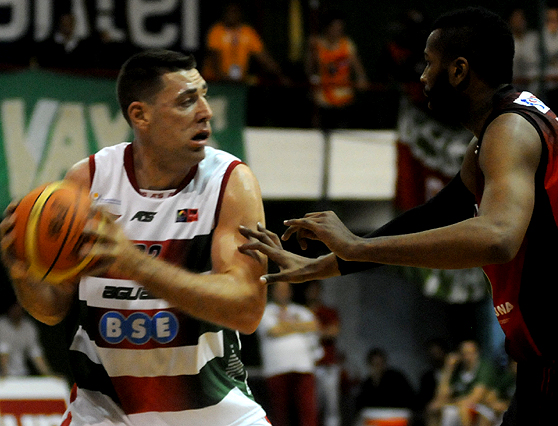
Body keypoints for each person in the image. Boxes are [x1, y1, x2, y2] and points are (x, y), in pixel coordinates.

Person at [239, 7, 558, 426]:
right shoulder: (492, 135)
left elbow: (498, 237)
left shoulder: (511, 131)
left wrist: (356, 246)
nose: (423, 76)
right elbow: (435, 214)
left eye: (430, 63)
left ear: (459, 70)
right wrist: (329, 264)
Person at [0, 49, 270, 425]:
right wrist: (24, 277)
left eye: (204, 95)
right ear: (140, 115)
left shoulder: (230, 182)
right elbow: (53, 310)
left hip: (213, 413)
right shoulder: (89, 179)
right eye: (186, 101)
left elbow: (247, 307)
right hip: (104, 412)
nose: (206, 111)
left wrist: (135, 264)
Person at [257, 282, 320, 426]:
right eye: (279, 290)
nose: (283, 293)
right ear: (272, 292)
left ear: (291, 291)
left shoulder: (301, 311)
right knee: (280, 413)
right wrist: (299, 326)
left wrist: (285, 325)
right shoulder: (265, 311)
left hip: (303, 366)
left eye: (285, 290)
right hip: (277, 368)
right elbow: (273, 330)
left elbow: (314, 325)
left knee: (308, 412)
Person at [305, 12, 368, 130]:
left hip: (344, 99)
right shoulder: (317, 44)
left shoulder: (346, 44)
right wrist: (310, 52)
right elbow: (309, 70)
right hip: (323, 100)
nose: (338, 31)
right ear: (327, 28)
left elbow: (358, 67)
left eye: (340, 27)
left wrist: (361, 78)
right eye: (334, 27)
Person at [203, 2, 287, 84]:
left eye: (234, 11)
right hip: (215, 81)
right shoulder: (216, 30)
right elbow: (214, 56)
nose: (231, 15)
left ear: (240, 13)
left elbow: (263, 57)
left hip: (238, 82)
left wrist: (280, 75)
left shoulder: (248, 32)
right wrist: (222, 77)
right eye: (228, 12)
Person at [426, 340, 495, 426]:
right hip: (456, 404)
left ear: (477, 353)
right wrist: (448, 369)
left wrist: (451, 402)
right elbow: (441, 396)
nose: (468, 357)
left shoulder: (483, 368)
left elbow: (476, 397)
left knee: (463, 408)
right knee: (433, 408)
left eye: (470, 353)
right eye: (464, 353)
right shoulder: (458, 370)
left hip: (480, 407)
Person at [304, 280, 342, 426]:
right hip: (308, 367)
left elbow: (333, 332)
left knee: (331, 408)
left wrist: (311, 331)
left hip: (327, 366)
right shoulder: (301, 312)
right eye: (310, 290)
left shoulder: (328, 311)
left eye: (315, 290)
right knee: (311, 407)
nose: (313, 293)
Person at [355, 347, 415, 414]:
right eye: (375, 364)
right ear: (370, 365)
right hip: (375, 417)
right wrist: (375, 381)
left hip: (396, 416)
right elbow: (361, 405)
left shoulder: (396, 378)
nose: (378, 367)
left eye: (380, 363)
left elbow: (409, 398)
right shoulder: (367, 383)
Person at [0, 301, 52, 377]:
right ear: (10, 309)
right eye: (15, 308)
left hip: (22, 373)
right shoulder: (2, 325)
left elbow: (35, 352)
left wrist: (48, 373)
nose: (17, 311)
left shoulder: (29, 327)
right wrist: (5, 374)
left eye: (20, 308)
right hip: (3, 374)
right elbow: (3, 351)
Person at [508, 8, 540, 94]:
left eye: (521, 18)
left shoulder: (534, 38)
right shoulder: (506, 40)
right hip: (513, 88)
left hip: (534, 87)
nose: (519, 22)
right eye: (516, 19)